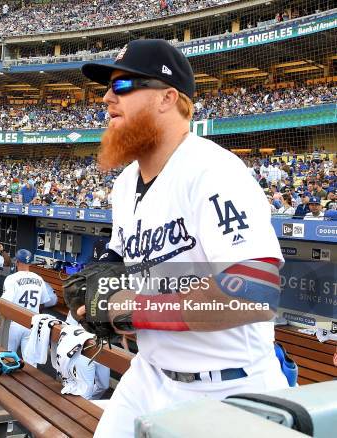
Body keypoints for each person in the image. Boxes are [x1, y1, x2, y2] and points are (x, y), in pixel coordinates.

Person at [67, 39, 288, 436]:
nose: (105, 97)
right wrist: (92, 288)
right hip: (149, 375)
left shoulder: (213, 171)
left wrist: (134, 310)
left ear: (167, 98)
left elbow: (254, 292)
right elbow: (119, 260)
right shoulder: (124, 184)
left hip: (229, 388)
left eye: (121, 87)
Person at [1, 249, 54, 353]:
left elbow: (5, 304)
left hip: (14, 323)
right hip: (32, 323)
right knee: (30, 362)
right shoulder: (39, 279)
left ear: (17, 262)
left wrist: (3, 324)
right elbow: (42, 303)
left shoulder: (11, 278)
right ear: (29, 263)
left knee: (7, 356)